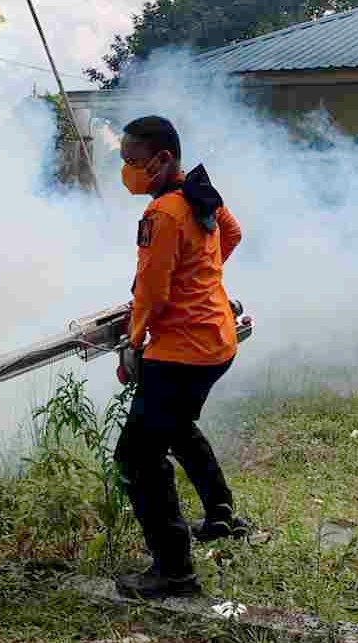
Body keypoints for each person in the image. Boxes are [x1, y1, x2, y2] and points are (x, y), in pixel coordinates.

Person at [113, 115, 252, 600]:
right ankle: (221, 515)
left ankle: (173, 571)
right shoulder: (201, 195)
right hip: (216, 342)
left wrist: (134, 343)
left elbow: (150, 291)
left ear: (163, 158)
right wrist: (200, 280)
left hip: (182, 352)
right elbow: (231, 236)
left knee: (138, 455)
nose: (128, 171)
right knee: (175, 427)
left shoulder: (163, 214)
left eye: (134, 162)